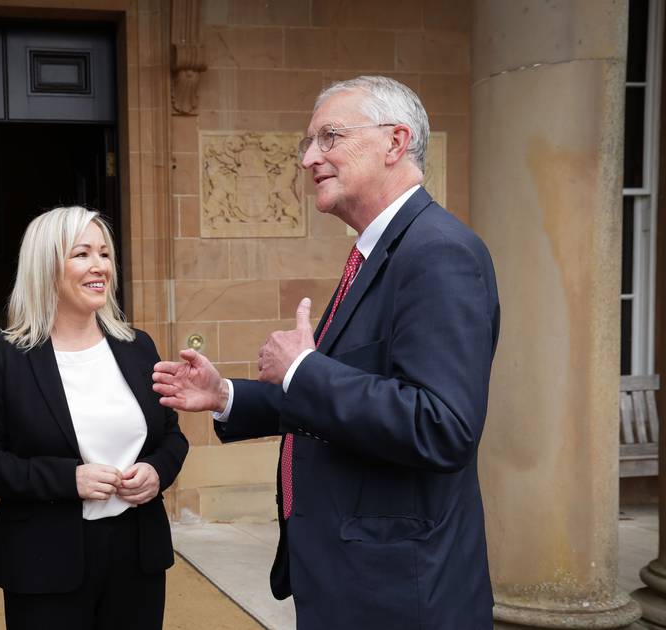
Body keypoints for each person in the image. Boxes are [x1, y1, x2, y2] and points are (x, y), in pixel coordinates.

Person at [152, 76, 500, 629]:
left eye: (329, 137)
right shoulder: (380, 250)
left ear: (395, 141)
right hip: (348, 581)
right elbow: (336, 403)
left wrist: (305, 369)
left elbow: (442, 424)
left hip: (403, 594)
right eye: (308, 143)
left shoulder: (438, 253)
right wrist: (226, 395)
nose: (311, 157)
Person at [0, 206, 188, 630]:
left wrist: (157, 472)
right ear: (46, 266)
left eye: (104, 254)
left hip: (137, 555)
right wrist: (68, 480)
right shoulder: (7, 357)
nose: (99, 266)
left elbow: (173, 437)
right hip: (45, 559)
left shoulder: (138, 347)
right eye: (81, 254)